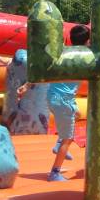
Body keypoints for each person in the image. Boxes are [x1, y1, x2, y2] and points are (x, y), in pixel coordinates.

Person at [20, 24, 90, 182]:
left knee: (77, 114)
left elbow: (44, 72)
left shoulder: (63, 53)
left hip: (53, 98)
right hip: (63, 102)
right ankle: (55, 172)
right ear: (88, 41)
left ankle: (59, 144)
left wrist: (26, 85)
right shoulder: (85, 57)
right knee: (68, 138)